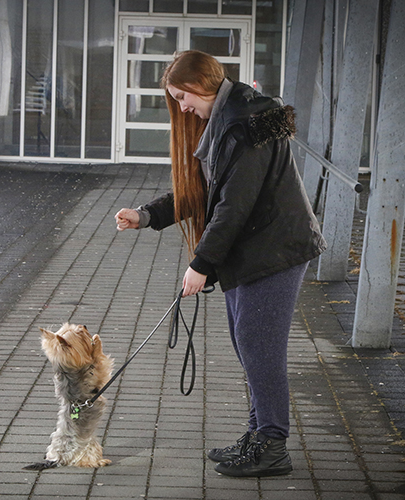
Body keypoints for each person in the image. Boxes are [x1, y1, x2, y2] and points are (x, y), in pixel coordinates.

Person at [115, 50, 326, 477]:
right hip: (256, 251)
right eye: (175, 99)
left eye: (181, 96)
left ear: (201, 85)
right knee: (249, 345)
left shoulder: (242, 127)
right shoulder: (227, 119)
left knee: (259, 349)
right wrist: (147, 215)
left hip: (275, 252)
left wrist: (201, 264)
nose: (181, 106)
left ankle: (271, 447)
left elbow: (233, 207)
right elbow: (208, 192)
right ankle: (258, 435)